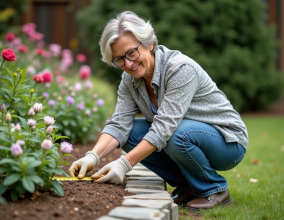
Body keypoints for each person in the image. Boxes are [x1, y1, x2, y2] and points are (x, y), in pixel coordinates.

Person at [69, 11, 248, 211]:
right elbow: (119, 123)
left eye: (131, 53)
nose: (128, 64)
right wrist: (92, 156)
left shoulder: (180, 68)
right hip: (185, 134)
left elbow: (164, 128)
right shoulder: (129, 79)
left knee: (174, 134)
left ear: (150, 43)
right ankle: (188, 186)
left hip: (228, 141)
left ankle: (214, 189)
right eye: (119, 59)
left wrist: (124, 164)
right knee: (129, 134)